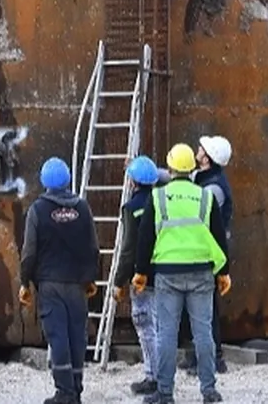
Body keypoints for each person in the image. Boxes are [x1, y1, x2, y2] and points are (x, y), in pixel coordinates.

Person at [134, 144, 231, 404]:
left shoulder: (158, 197)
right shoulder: (205, 197)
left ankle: (165, 393)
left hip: (168, 274)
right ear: (191, 169)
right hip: (201, 273)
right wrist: (223, 271)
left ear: (171, 167)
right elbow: (219, 236)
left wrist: (141, 272)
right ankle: (209, 390)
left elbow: (145, 238)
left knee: (167, 333)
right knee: (203, 334)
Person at [18, 157, 99, 404]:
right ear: (68, 180)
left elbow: (29, 251)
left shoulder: (38, 210)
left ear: (44, 181)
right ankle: (76, 389)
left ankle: (64, 393)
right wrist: (90, 277)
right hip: (77, 283)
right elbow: (93, 247)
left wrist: (25, 281)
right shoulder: (82, 207)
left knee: (58, 336)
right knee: (77, 335)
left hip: (50, 283)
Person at [182, 135, 235, 375]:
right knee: (197, 307)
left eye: (201, 148)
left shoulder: (214, 188)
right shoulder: (203, 178)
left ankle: (215, 359)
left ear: (208, 158)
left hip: (209, 252)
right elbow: (179, 178)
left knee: (207, 308)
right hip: (202, 249)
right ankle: (197, 356)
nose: (198, 149)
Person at [113, 155, 163, 396]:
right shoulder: (161, 201)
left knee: (145, 326)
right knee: (161, 325)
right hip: (163, 272)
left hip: (140, 276)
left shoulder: (131, 208)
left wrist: (118, 281)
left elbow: (128, 248)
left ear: (132, 181)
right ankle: (160, 374)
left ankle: (153, 377)